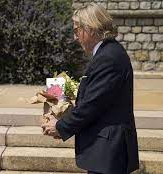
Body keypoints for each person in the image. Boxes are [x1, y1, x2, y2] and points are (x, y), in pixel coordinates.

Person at [42, 3, 139, 174]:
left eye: (76, 30)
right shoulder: (108, 52)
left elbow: (92, 105)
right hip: (105, 150)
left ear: (90, 28)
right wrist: (60, 103)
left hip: (108, 152)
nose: (75, 37)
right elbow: (96, 97)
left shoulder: (108, 57)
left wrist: (60, 126)